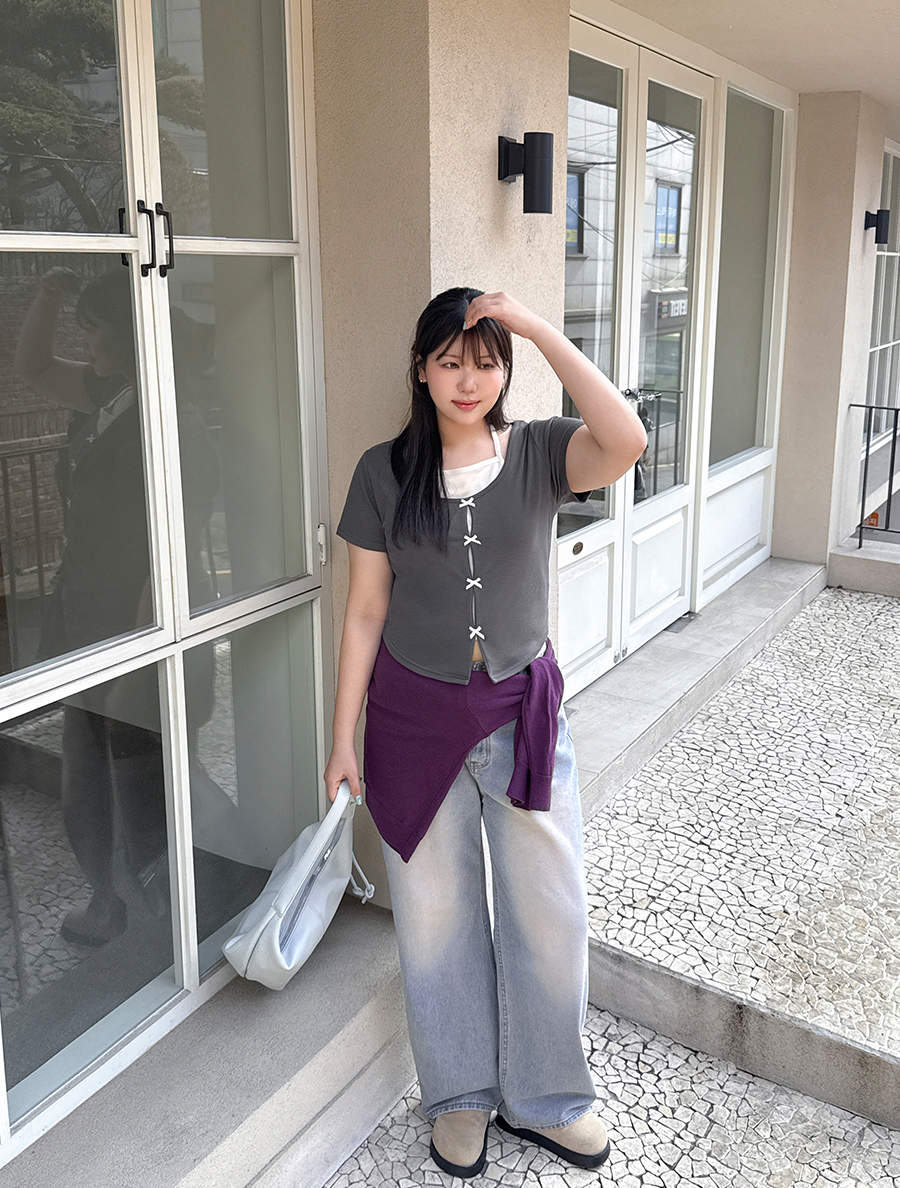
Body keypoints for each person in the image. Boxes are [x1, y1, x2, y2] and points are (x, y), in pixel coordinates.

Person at [325, 287, 646, 1179]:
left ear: (506, 370)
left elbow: (626, 440)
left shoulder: (542, 451)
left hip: (522, 720)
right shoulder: (381, 474)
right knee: (437, 921)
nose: (469, 380)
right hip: (410, 726)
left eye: (487, 362)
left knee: (549, 911)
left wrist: (538, 329)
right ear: (421, 370)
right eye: (450, 362)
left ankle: (548, 1099)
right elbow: (365, 612)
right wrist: (342, 736)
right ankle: (459, 1095)